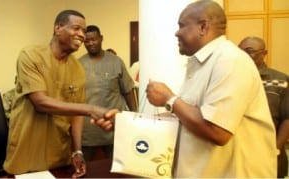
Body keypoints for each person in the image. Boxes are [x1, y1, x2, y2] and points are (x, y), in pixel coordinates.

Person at [93, 0, 278, 177]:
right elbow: (186, 116)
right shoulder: (201, 63)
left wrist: (169, 99)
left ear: (203, 27)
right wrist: (126, 122)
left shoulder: (229, 60)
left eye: (182, 25)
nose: (176, 33)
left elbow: (217, 131)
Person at [3, 10, 117, 178]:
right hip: (27, 154)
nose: (82, 35)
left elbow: (76, 116)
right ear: (58, 28)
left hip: (59, 157)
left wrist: (77, 151)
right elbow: (40, 102)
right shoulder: (31, 55)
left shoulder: (78, 69)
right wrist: (91, 109)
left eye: (84, 31)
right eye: (76, 28)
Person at [79, 25, 137, 161]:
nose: (91, 43)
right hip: (88, 131)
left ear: (101, 38)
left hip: (114, 129)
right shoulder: (79, 65)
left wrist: (135, 115)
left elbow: (128, 90)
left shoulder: (116, 62)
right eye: (87, 41)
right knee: (86, 170)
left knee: (118, 169)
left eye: (94, 39)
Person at [239, 36, 289, 178]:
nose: (245, 56)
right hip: (238, 154)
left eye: (250, 51)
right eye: (240, 51)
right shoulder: (232, 77)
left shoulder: (281, 80)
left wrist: (274, 150)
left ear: (264, 53)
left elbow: (287, 118)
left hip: (270, 153)